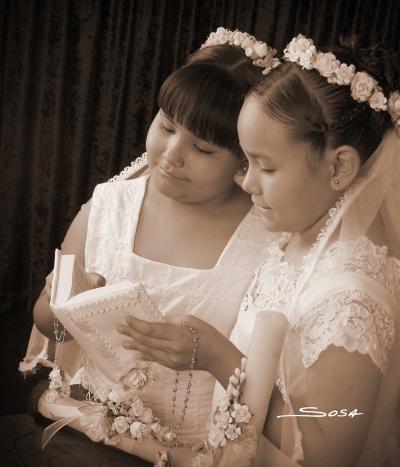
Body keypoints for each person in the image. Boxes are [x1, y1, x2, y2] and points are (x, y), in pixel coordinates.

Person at [119, 34, 400, 466]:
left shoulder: (351, 298)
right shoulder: (292, 238)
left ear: (339, 167)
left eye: (265, 167)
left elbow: (327, 454)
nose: (246, 182)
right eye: (246, 163)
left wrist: (221, 358)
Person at [18, 29, 278, 464]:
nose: (172, 155)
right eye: (167, 126)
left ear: (244, 159)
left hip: (194, 451)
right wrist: (59, 306)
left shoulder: (265, 239)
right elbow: (49, 326)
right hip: (86, 428)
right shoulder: (108, 207)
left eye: (202, 148)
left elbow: (272, 385)